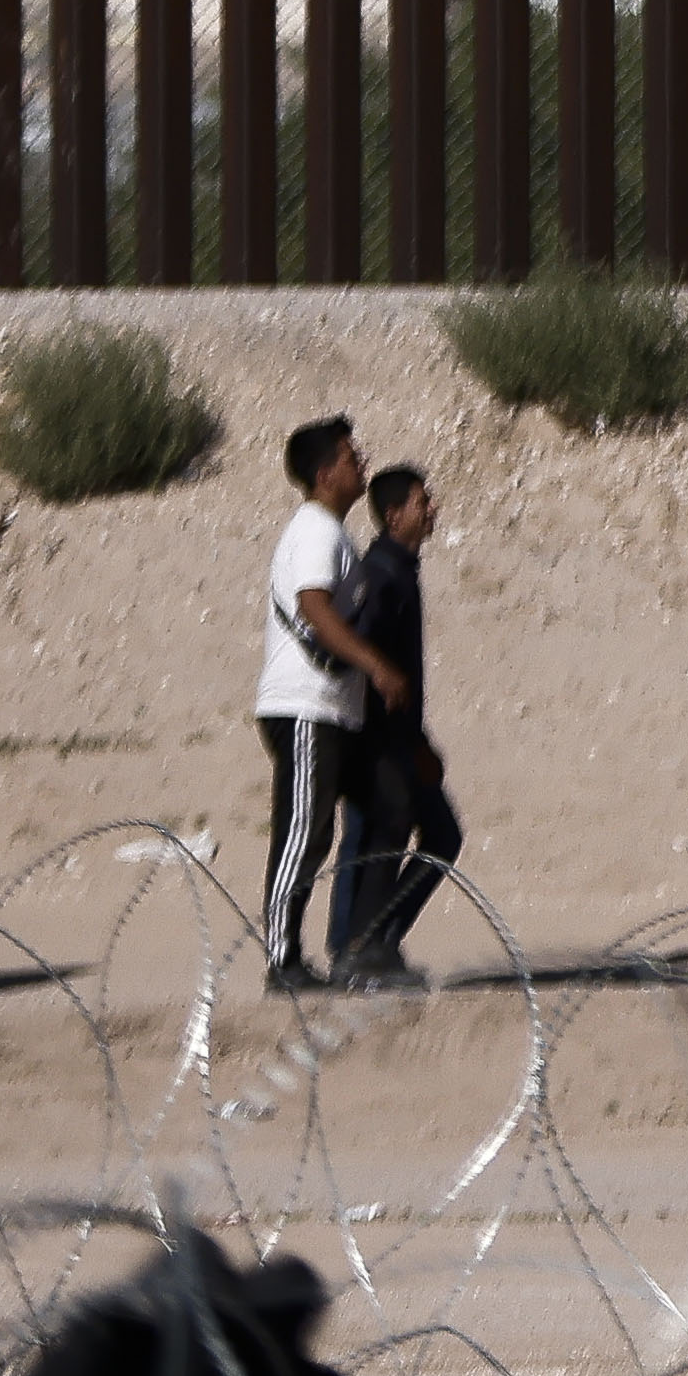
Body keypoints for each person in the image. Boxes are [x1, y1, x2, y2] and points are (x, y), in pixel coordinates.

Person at [249, 417, 387, 997]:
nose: (362, 463)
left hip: (332, 710)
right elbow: (314, 606)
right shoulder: (314, 531)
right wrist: (375, 664)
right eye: (351, 457)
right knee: (304, 831)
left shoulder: (331, 533)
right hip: (305, 705)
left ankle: (358, 948)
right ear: (326, 472)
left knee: (358, 821)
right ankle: (282, 959)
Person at [322, 467, 456, 988]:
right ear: (395, 513)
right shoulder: (379, 574)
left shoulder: (400, 569)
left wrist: (418, 741)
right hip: (376, 741)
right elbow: (358, 653)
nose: (432, 509)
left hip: (400, 739)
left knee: (436, 836)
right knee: (375, 838)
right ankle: (356, 953)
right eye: (423, 502)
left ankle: (374, 943)